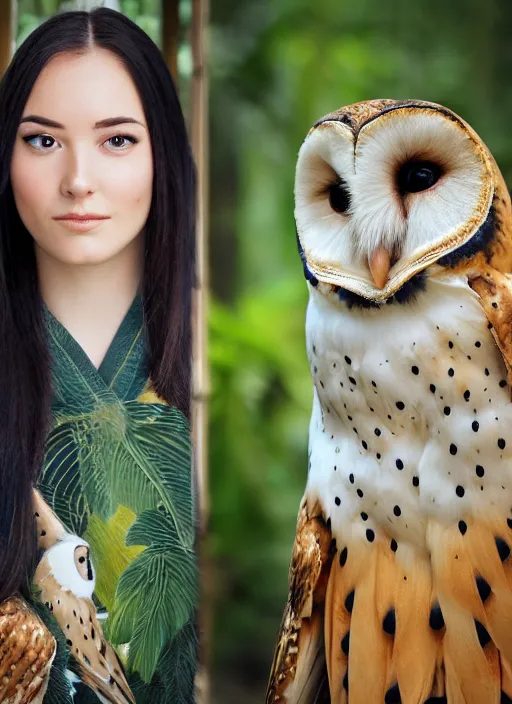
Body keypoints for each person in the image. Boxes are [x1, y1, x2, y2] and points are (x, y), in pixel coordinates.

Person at [0, 7, 197, 703]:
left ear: (161, 154)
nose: (78, 180)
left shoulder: (215, 361)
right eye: (42, 141)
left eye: (116, 138)